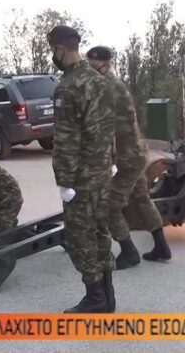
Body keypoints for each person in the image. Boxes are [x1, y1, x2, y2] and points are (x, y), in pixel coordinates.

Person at [48, 25, 116, 313]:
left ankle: (96, 299)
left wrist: (64, 182)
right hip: (103, 172)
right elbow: (110, 125)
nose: (53, 56)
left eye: (53, 50)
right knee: (101, 231)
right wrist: (112, 160)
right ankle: (108, 296)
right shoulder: (101, 81)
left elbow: (66, 138)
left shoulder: (68, 87)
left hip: (81, 178)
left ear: (60, 49)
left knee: (80, 237)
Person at [86, 45, 171, 269]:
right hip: (136, 153)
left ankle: (129, 251)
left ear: (105, 64)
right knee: (142, 199)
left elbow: (104, 128)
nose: (90, 70)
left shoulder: (107, 88)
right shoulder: (113, 84)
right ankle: (161, 246)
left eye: (93, 66)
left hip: (127, 159)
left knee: (110, 207)